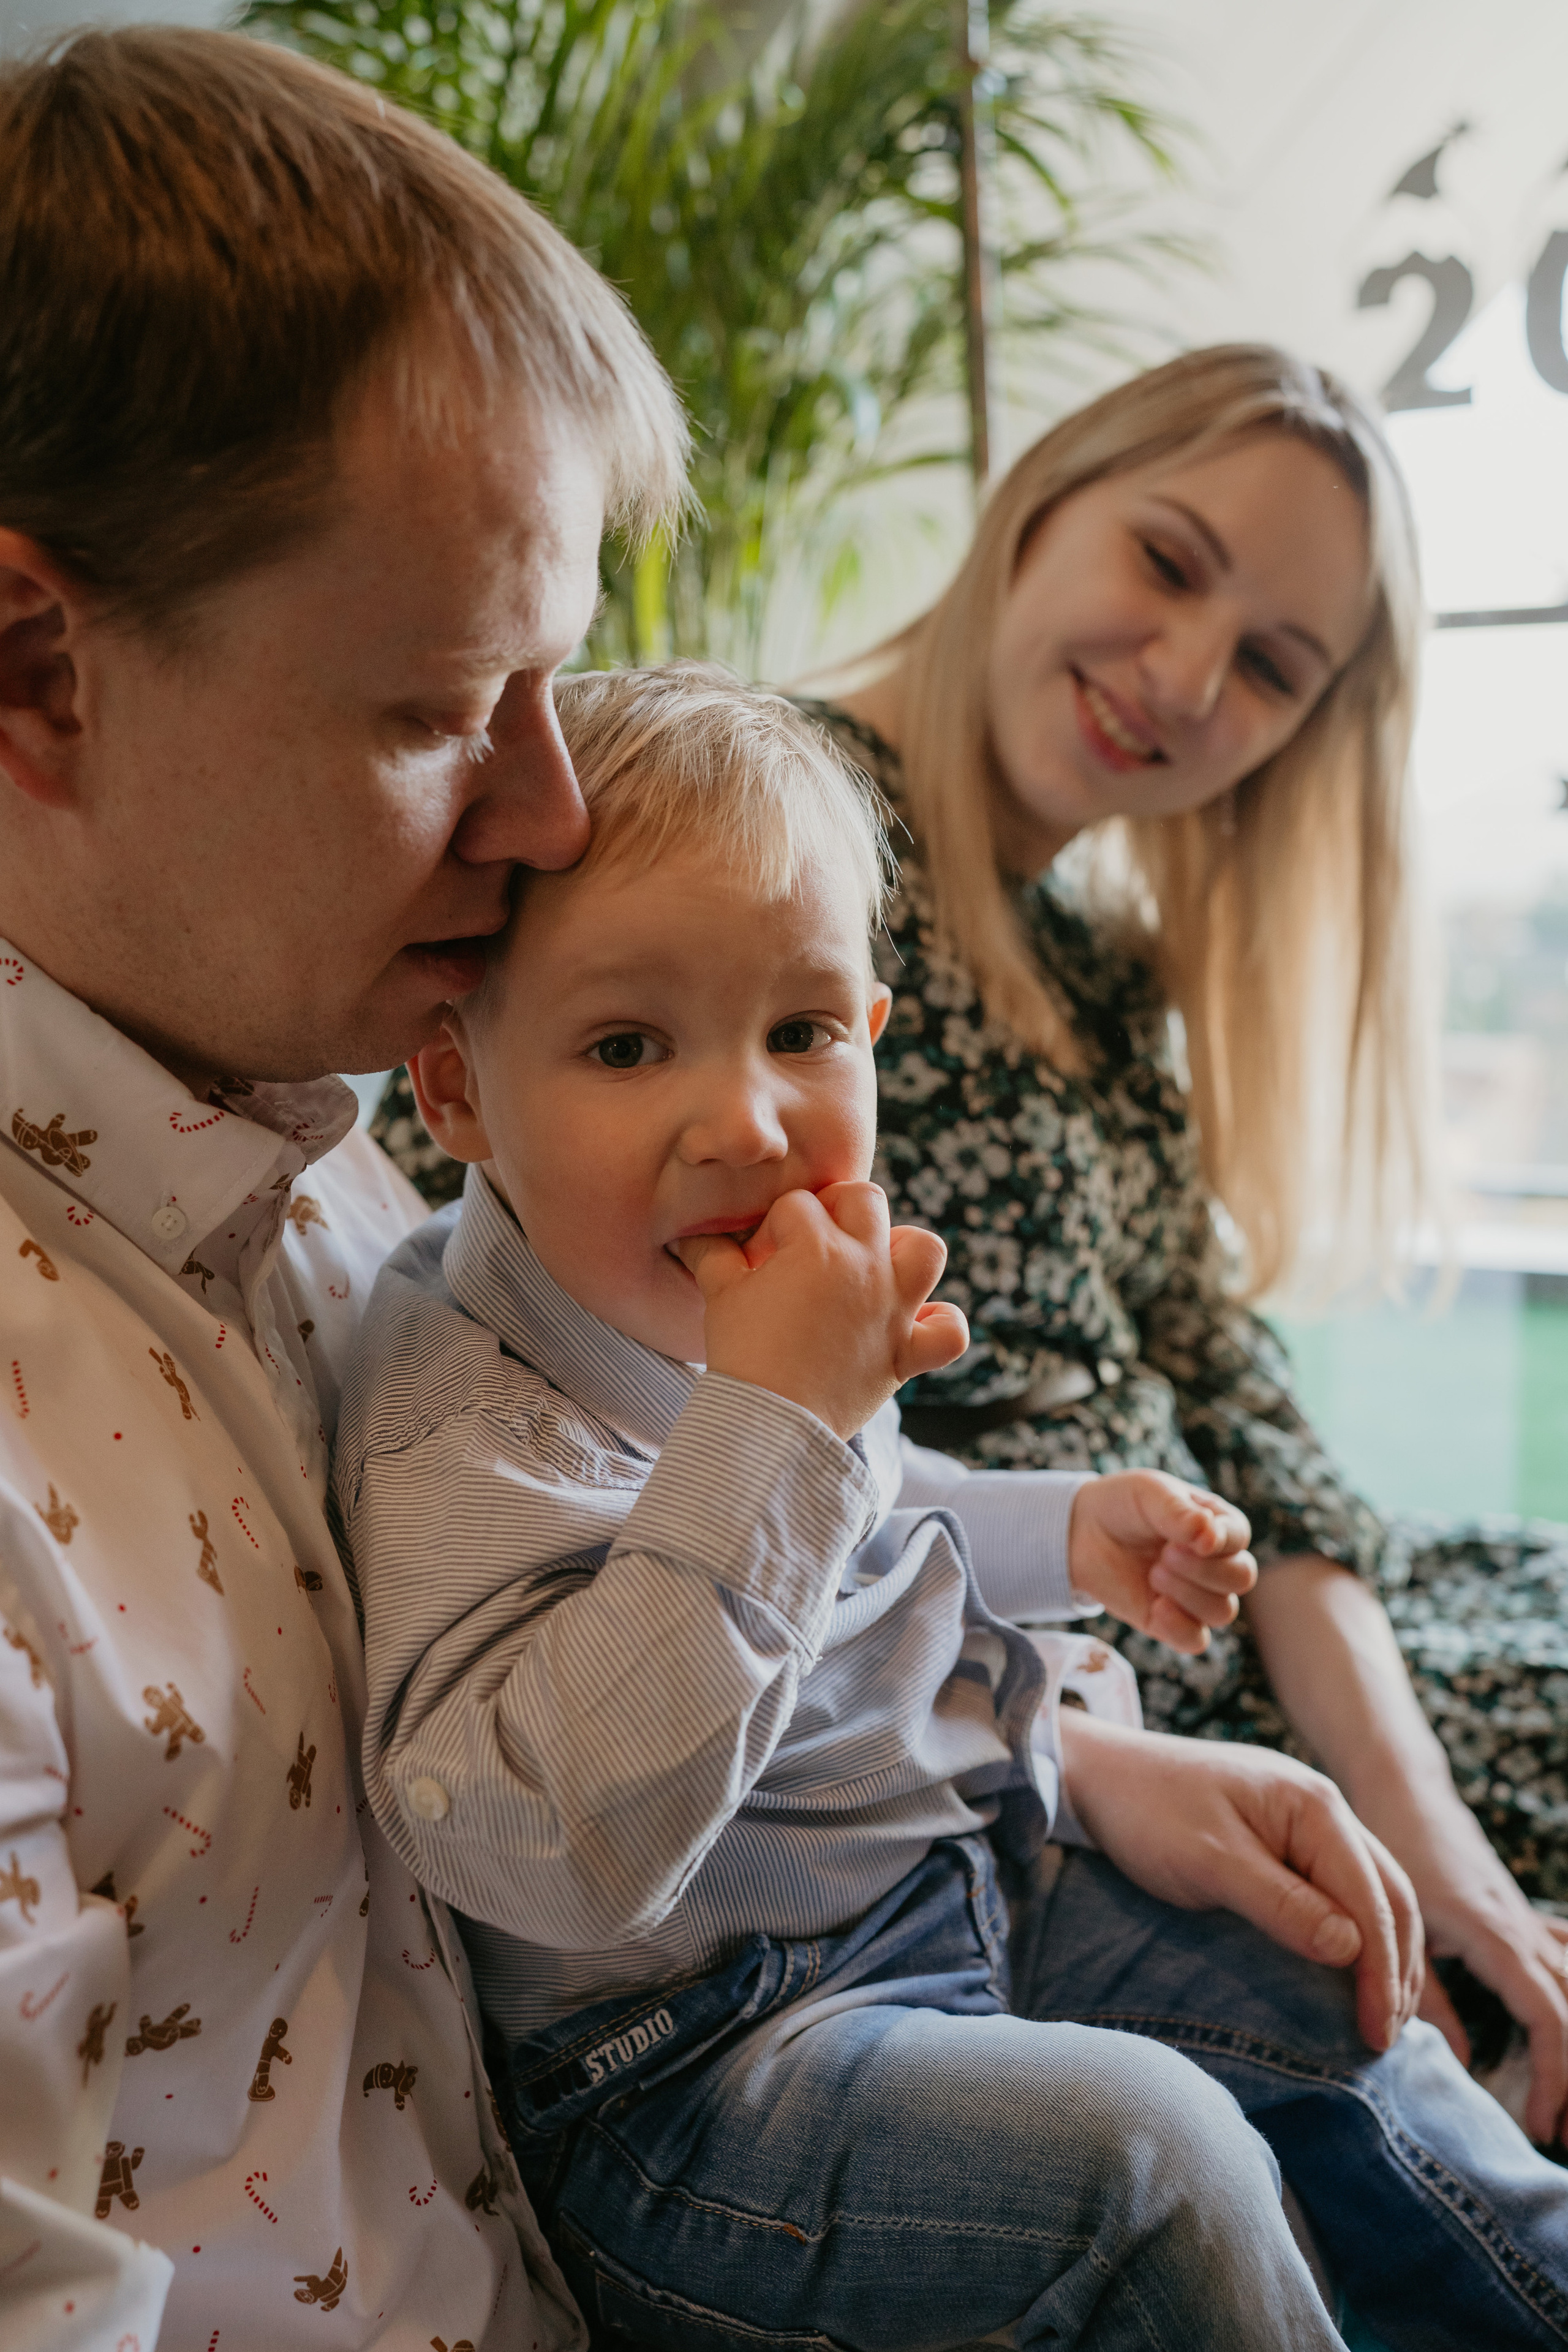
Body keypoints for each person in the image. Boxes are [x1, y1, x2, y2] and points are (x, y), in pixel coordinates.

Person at [338, 662, 1568, 2352]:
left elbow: (878, 1507)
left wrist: (1062, 1531)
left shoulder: (726, 1308)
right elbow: (555, 1844)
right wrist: (776, 1420)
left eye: (803, 1032)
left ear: (873, 1035)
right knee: (1156, 2170)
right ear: (457, 1091)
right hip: (702, 2078)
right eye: (628, 1045)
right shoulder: (455, 1422)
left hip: (964, 1889)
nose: (749, 1120)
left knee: (1322, 1988)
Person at [0, 26, 684, 2351]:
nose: (554, 812)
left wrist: (1075, 1753)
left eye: (557, 687)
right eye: (434, 712)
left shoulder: (338, 1165)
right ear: (31, 668)